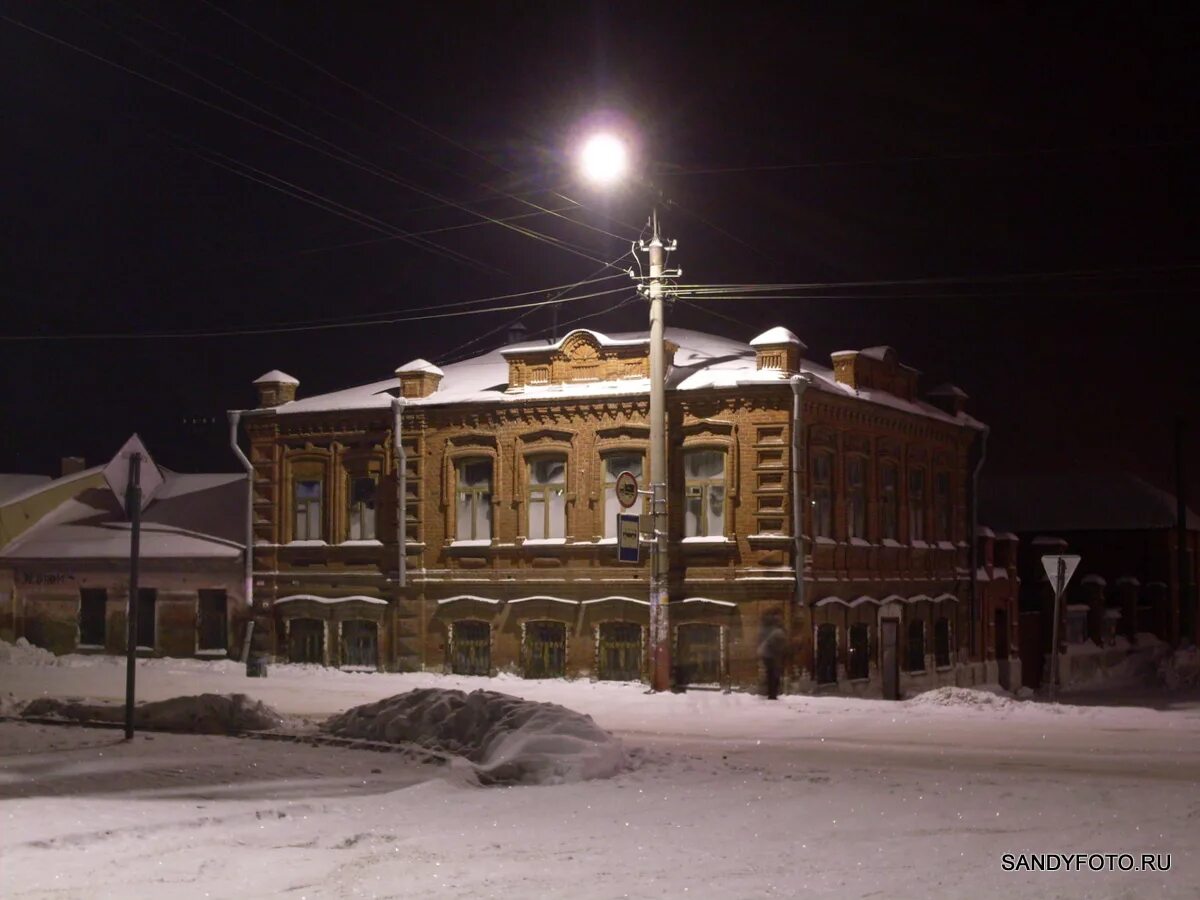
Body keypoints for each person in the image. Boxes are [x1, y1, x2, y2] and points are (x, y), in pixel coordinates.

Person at [757, 611, 788, 699]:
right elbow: (775, 643)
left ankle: (772, 693)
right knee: (773, 674)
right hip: (771, 654)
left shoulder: (769, 628)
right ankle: (772, 694)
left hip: (768, 653)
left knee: (771, 673)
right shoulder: (777, 630)